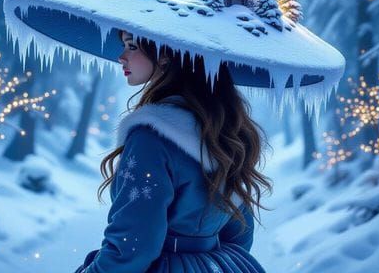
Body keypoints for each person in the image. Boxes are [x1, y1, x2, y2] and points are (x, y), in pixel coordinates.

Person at [72, 31, 270, 273]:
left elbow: (132, 246)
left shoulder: (151, 138)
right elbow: (240, 231)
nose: (121, 57)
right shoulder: (222, 133)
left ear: (165, 56)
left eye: (132, 46)